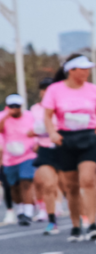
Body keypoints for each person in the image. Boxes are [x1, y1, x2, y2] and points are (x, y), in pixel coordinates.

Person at [42, 54, 96, 241]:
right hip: (65, 139)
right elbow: (47, 115)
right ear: (71, 70)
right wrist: (52, 133)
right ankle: (76, 225)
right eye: (83, 69)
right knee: (71, 186)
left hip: (88, 137)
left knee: (87, 180)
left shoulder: (93, 90)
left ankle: (92, 224)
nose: (86, 72)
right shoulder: (55, 90)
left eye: (88, 69)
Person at [30, 78, 61, 234]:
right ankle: (52, 221)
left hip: (63, 147)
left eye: (49, 88)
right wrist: (35, 137)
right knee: (48, 184)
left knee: (68, 186)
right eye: (43, 89)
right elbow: (30, 129)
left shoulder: (62, 105)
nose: (46, 91)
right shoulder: (35, 109)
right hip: (44, 148)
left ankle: (83, 219)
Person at [1, 94, 37, 226]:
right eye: (12, 106)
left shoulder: (30, 116)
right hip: (10, 158)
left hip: (27, 155)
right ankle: (21, 209)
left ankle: (28, 213)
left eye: (17, 106)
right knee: (14, 187)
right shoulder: (3, 117)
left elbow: (37, 130)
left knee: (26, 182)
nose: (14, 108)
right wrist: (6, 116)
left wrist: (35, 140)